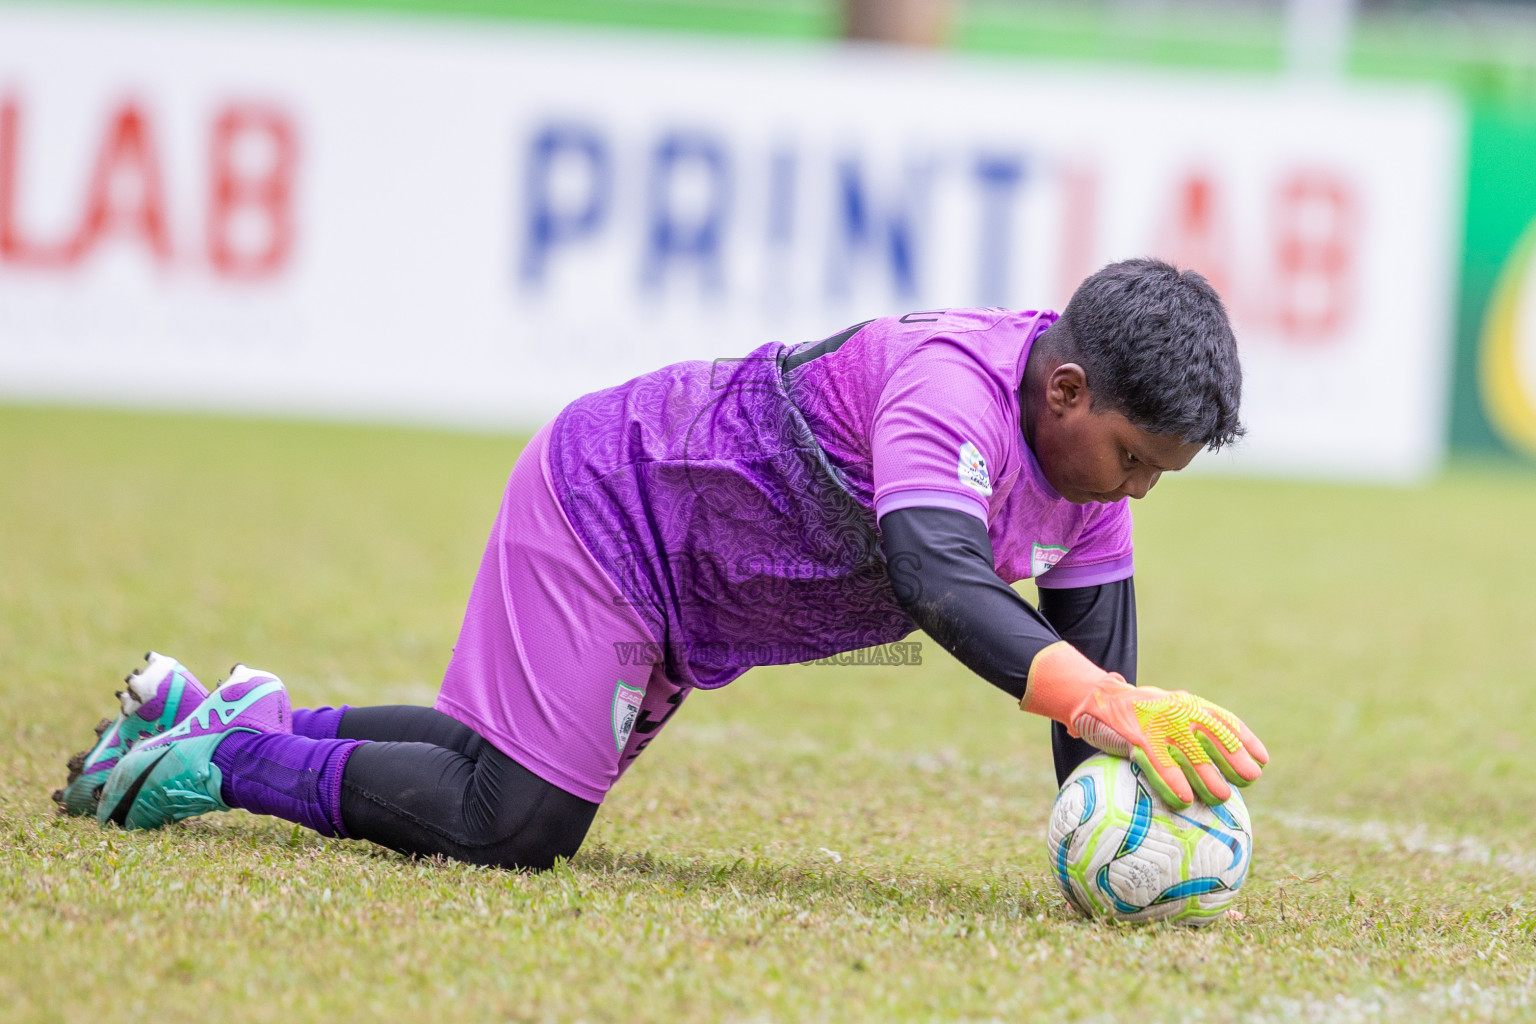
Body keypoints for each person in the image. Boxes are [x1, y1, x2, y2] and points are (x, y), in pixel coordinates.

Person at [60, 257, 1269, 870]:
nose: (1138, 492)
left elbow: (1089, 668)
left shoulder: (1086, 485)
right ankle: (223, 763)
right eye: (1133, 458)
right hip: (617, 502)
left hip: (693, 596)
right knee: (517, 823)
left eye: (1163, 473)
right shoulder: (949, 385)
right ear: (1065, 390)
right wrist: (1098, 698)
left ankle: (256, 709)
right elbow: (937, 577)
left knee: (493, 764)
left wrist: (1111, 816)